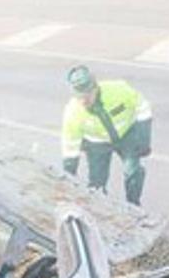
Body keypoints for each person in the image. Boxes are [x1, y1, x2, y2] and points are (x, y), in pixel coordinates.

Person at [61, 65, 153, 206]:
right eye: (80, 97)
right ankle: (100, 210)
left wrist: (143, 139)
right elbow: (70, 147)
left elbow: (143, 107)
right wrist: (69, 177)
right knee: (97, 185)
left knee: (132, 171)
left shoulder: (119, 90)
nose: (84, 100)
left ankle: (134, 205)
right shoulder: (73, 112)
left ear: (96, 88)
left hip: (126, 135)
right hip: (97, 143)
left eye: (87, 95)